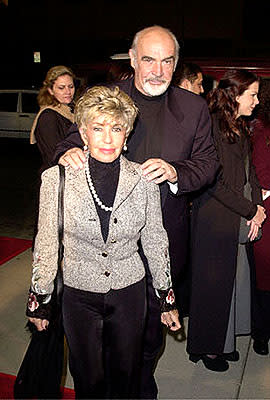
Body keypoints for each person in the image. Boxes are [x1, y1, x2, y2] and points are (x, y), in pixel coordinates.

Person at [53, 25, 219, 398]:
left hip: (162, 245)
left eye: (167, 61)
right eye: (148, 60)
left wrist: (178, 172)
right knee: (94, 346)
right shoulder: (106, 97)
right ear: (132, 59)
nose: (158, 70)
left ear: (175, 65)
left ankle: (141, 381)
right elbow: (67, 141)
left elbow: (208, 163)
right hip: (101, 251)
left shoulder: (193, 107)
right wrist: (68, 153)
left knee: (148, 335)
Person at [26, 85, 180, 399]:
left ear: (127, 134)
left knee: (125, 374)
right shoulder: (56, 178)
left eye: (116, 129)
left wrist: (166, 299)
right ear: (83, 132)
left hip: (129, 293)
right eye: (98, 128)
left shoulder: (144, 179)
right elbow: (45, 243)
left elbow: (154, 239)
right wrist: (40, 300)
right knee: (87, 378)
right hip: (78, 294)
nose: (107, 138)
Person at [187, 69, 266, 372]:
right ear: (234, 95)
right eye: (253, 94)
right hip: (214, 221)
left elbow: (251, 173)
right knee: (213, 288)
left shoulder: (240, 125)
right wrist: (250, 209)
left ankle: (222, 342)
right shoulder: (213, 127)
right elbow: (213, 182)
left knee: (232, 284)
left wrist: (257, 207)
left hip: (236, 215)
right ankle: (208, 348)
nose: (257, 102)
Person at [251, 79, 270, 356]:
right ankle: (262, 334)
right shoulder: (261, 131)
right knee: (265, 279)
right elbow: (261, 174)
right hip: (266, 212)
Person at [30, 65, 76, 174]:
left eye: (71, 86)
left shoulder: (71, 110)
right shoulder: (48, 116)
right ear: (50, 90)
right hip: (57, 177)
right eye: (61, 87)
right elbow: (54, 155)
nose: (68, 91)